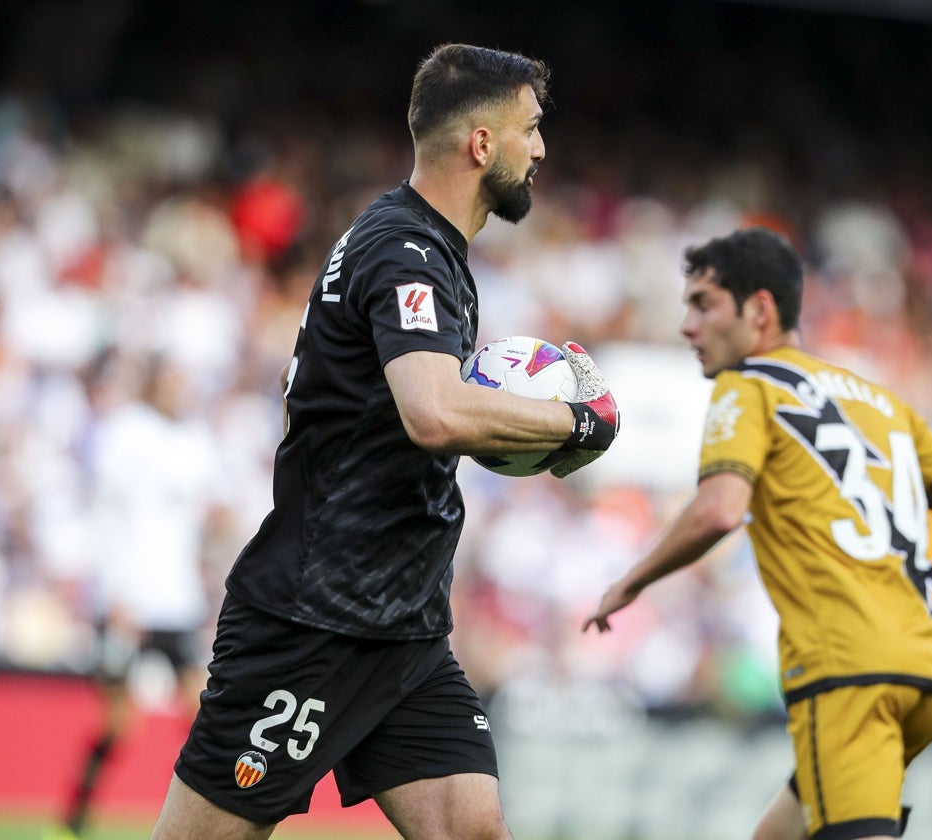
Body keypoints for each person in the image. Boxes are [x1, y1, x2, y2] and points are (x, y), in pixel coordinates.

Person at [151, 43, 619, 840]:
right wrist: (580, 420)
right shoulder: (404, 250)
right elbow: (433, 413)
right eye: (531, 129)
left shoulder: (424, 249)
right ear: (481, 144)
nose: (541, 150)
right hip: (316, 622)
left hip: (404, 631)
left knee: (473, 831)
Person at [583, 227, 932, 840]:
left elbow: (721, 509)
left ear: (759, 310)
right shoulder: (882, 404)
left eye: (702, 304)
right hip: (925, 674)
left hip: (847, 673)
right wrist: (926, 629)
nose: (687, 327)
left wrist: (630, 581)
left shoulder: (748, 385)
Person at [50, 355, 220, 840]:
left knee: (204, 715)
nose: (180, 391)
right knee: (120, 722)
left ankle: (197, 821)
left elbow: (197, 520)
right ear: (153, 383)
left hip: (178, 602)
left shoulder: (194, 443)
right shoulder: (127, 433)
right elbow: (109, 517)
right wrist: (117, 592)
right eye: (172, 380)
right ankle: (74, 819)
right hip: (130, 600)